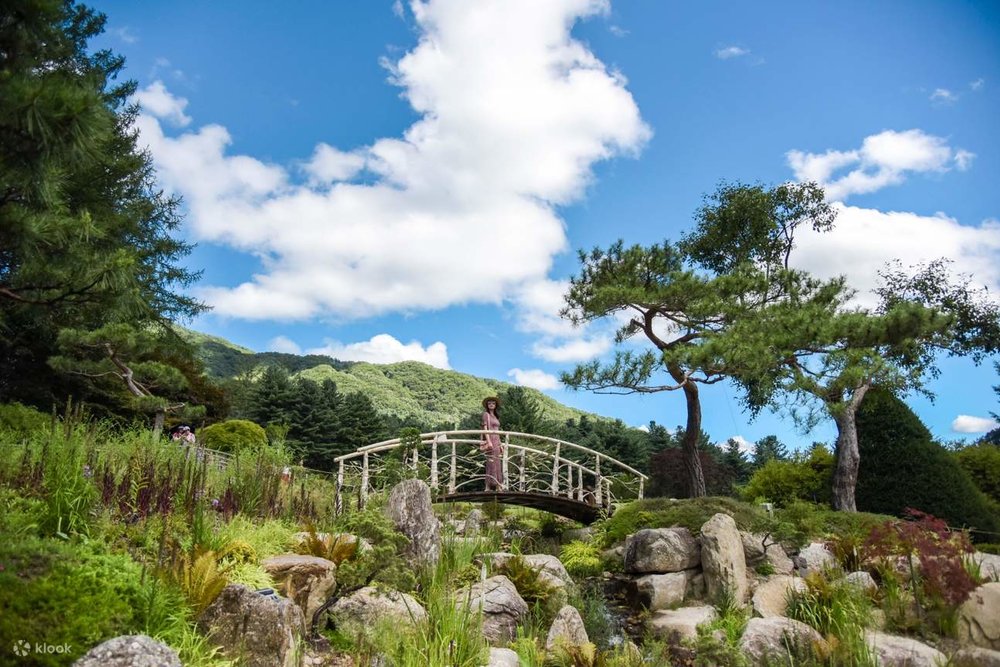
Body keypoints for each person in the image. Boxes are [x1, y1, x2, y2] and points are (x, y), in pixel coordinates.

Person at [480, 396, 504, 491]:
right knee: (490, 462)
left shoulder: (496, 416)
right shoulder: (486, 415)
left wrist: (500, 444)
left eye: (493, 403)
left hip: (497, 440)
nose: (491, 405)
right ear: (487, 405)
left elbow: (497, 431)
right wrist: (489, 441)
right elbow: (485, 429)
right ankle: (488, 486)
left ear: (496, 405)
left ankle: (498, 484)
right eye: (489, 403)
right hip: (491, 440)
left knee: (497, 463)